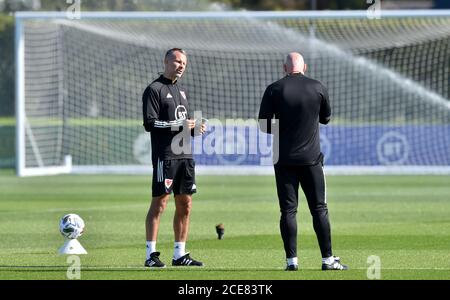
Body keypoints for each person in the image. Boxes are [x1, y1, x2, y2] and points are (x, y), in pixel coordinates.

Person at [258, 52, 348, 271]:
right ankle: (328, 260)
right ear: (304, 67)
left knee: (288, 211)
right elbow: (326, 118)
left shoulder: (274, 89)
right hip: (311, 160)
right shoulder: (317, 87)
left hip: (284, 160)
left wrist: (284, 127)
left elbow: (264, 125)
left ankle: (292, 262)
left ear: (284, 68)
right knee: (319, 209)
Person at [142, 48, 206, 268]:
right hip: (165, 157)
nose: (181, 66)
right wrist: (179, 126)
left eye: (184, 63)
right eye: (177, 61)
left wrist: (194, 129)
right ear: (166, 61)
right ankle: (150, 255)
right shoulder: (154, 89)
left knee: (185, 204)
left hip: (185, 156)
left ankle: (180, 254)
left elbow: (183, 124)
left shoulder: (182, 90)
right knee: (160, 203)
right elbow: (150, 124)